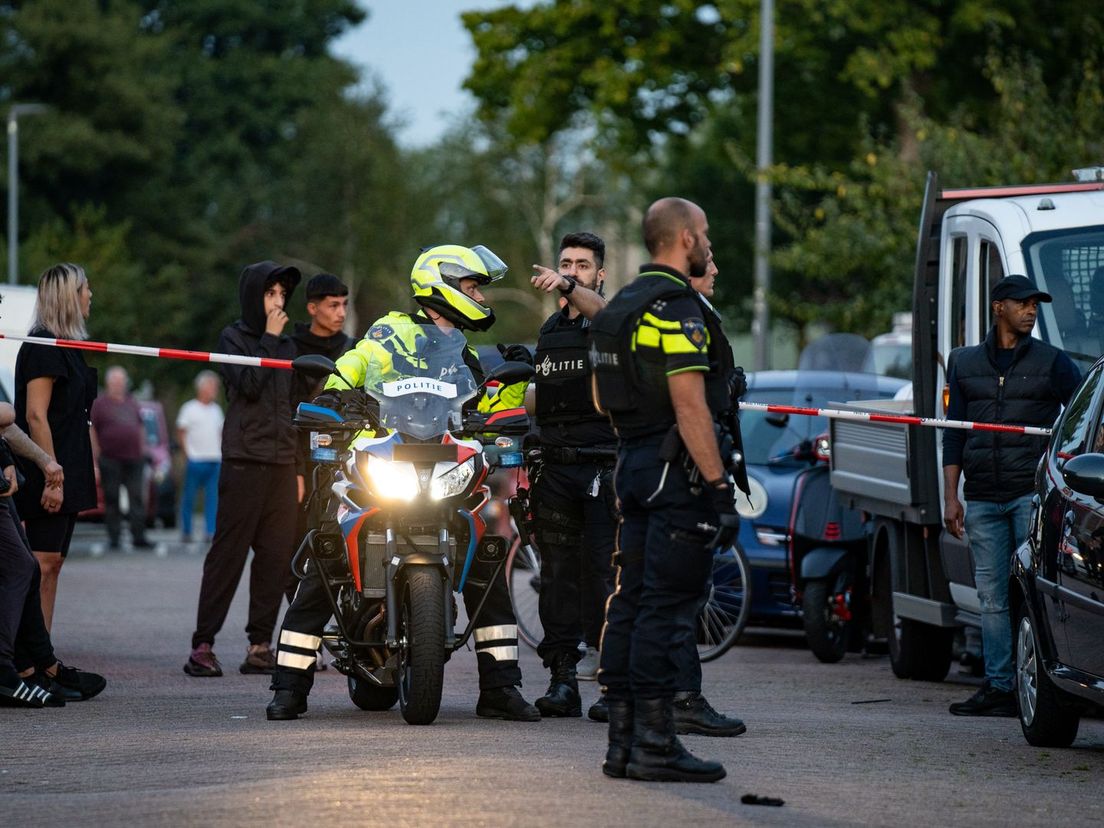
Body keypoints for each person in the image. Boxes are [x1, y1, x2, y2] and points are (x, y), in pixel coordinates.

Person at [267, 244, 539, 723]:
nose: (477, 295)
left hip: (442, 468)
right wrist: (334, 401)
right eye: (472, 286)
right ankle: (289, 686)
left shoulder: (467, 357)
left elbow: (488, 413)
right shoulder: (386, 337)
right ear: (444, 286)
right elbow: (347, 373)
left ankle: (500, 687)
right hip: (382, 464)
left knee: (486, 561)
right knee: (325, 558)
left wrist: (512, 388)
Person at [589, 197, 745, 783]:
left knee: (629, 601)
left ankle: (623, 743)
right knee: (669, 608)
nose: (707, 242)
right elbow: (690, 405)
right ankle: (656, 743)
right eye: (703, 232)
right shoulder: (678, 306)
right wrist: (719, 488)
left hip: (630, 465)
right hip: (675, 475)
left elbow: (604, 399)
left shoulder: (620, 306)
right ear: (683, 238)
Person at [943, 274, 1080, 716]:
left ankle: (1042, 684)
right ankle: (1000, 686)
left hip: (1029, 496)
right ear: (998, 306)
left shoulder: (1053, 363)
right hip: (981, 496)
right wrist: (951, 495)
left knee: (1032, 593)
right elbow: (953, 435)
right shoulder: (963, 363)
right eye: (1023, 303)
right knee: (991, 596)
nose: (1031, 310)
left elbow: (1082, 416)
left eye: (1035, 304)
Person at [184, 261, 301, 678]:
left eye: (283, 294)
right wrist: (268, 338)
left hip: (283, 464)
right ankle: (202, 645)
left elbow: (294, 406)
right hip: (243, 461)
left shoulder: (289, 345)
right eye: (271, 293)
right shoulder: (232, 338)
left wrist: (299, 467)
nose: (279, 301)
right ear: (255, 296)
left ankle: (259, 646)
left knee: (275, 558)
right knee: (227, 556)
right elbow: (249, 387)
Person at [524, 231, 616, 717]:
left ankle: (609, 686)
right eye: (567, 263)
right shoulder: (550, 332)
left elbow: (602, 313)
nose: (573, 270)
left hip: (603, 470)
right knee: (558, 579)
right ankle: (563, 681)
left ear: (599, 273)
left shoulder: (613, 321)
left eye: (583, 265)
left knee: (603, 579)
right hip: (556, 471)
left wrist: (564, 284)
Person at [0, 401, 106, 707]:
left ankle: (37, 666)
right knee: (24, 567)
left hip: (5, 479)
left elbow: (5, 424)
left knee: (28, 568)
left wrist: (35, 460)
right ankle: (10, 668)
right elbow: (12, 414)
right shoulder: (44, 353)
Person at [13, 263, 98, 632]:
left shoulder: (69, 346)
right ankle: (29, 655)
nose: (90, 295)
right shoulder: (43, 344)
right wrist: (52, 475)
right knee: (42, 562)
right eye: (85, 288)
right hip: (49, 471)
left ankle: (43, 652)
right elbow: (34, 415)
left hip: (70, 466)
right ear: (68, 296)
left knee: (54, 562)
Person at [287, 272, 353, 599]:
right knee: (297, 551)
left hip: (348, 464)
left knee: (343, 549)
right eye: (333, 305)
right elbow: (287, 415)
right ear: (313, 308)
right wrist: (297, 470)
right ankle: (300, 643)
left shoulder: (355, 349)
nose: (340, 312)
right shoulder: (291, 349)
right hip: (302, 465)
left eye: (344, 304)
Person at [90, 366, 152, 550]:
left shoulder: (132, 402)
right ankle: (114, 537)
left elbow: (140, 426)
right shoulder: (100, 404)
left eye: (121, 381)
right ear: (109, 383)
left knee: (137, 498)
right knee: (112, 498)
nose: (118, 385)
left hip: (134, 457)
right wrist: (96, 453)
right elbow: (92, 429)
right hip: (110, 458)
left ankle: (139, 536)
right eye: (115, 381)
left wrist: (142, 448)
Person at [176, 370, 224, 544]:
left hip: (214, 459)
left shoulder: (216, 410)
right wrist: (187, 454)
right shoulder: (189, 408)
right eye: (212, 386)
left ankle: (210, 530)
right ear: (202, 387)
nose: (214, 390)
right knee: (189, 497)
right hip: (196, 459)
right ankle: (186, 530)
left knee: (212, 498)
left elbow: (220, 433)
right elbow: (181, 432)